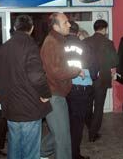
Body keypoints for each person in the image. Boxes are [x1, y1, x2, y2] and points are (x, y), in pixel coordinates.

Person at [0, 15, 52, 159]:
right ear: (32, 28)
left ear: (15, 28)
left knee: (14, 145)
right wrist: (46, 94)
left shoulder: (3, 48)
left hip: (10, 106)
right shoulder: (30, 46)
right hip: (28, 107)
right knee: (31, 150)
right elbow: (37, 76)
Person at [40, 13, 83, 159]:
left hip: (57, 93)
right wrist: (76, 71)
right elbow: (56, 71)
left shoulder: (58, 40)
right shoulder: (52, 42)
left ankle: (42, 152)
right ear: (55, 26)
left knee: (59, 132)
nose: (69, 25)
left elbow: (59, 66)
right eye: (66, 23)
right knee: (63, 138)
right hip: (54, 95)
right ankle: (42, 153)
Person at [84, 19, 118, 142]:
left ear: (95, 28)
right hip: (102, 79)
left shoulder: (86, 41)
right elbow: (115, 61)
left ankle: (89, 125)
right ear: (104, 29)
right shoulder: (108, 43)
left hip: (87, 78)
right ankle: (93, 133)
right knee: (98, 107)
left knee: (87, 105)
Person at [65, 21, 92, 159]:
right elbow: (93, 68)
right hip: (80, 88)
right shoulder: (84, 45)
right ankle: (74, 154)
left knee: (67, 122)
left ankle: (65, 153)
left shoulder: (59, 45)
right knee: (77, 124)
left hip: (64, 88)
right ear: (77, 31)